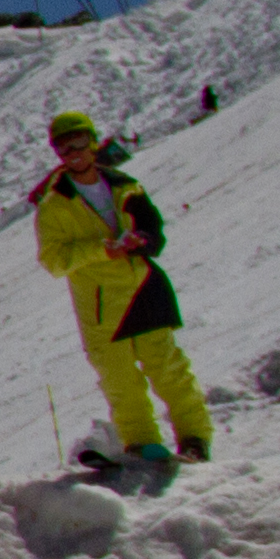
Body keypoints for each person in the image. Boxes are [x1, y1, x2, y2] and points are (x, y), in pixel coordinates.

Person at [31, 108, 211, 489]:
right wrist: (102, 249)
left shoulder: (126, 186)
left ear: (94, 142)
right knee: (120, 380)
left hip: (143, 289)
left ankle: (194, 439)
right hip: (101, 306)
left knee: (168, 368)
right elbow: (53, 260)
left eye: (80, 143)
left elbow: (154, 233)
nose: (74, 153)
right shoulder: (54, 205)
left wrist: (140, 241)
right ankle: (143, 444)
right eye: (65, 148)